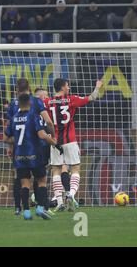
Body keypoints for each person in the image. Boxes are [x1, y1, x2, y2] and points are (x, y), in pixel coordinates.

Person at [44, 78, 103, 212]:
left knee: (56, 170)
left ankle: (59, 202)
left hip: (55, 141)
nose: (69, 88)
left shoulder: (46, 102)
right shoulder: (71, 99)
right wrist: (98, 86)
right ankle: (70, 194)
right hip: (70, 140)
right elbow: (92, 97)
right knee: (75, 168)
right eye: (67, 86)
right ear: (63, 87)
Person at [5, 93, 62, 220]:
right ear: (30, 103)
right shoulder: (33, 116)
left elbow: (5, 138)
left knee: (24, 183)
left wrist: (17, 140)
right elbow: (42, 135)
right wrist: (55, 144)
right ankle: (41, 207)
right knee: (41, 180)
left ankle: (25, 211)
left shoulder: (13, 118)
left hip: (19, 155)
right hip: (34, 154)